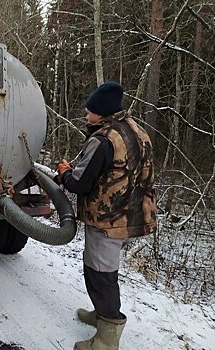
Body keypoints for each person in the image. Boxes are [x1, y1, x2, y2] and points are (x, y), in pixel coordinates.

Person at [55, 81, 157, 350]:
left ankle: (107, 336)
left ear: (101, 113)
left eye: (89, 112)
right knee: (105, 271)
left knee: (100, 274)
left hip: (107, 220)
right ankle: (102, 315)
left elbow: (79, 183)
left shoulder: (102, 140)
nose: (86, 115)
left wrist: (64, 171)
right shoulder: (137, 130)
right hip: (133, 215)